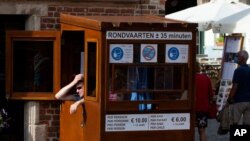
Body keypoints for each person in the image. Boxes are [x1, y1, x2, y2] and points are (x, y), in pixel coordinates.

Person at [227, 50, 250, 125]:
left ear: (242, 58)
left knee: (235, 122)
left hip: (239, 100)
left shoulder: (238, 71)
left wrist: (229, 99)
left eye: (237, 56)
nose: (236, 58)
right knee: (247, 123)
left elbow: (235, 87)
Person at [195, 62, 214, 141]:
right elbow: (211, 95)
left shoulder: (188, 78)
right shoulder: (206, 78)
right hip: (203, 108)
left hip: (191, 107)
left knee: (188, 130)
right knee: (202, 131)